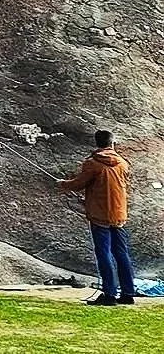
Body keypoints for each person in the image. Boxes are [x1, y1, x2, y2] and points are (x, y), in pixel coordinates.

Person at [58, 129, 137, 306]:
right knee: (121, 253)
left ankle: (109, 294)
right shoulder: (123, 163)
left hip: (100, 215)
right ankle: (127, 293)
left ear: (97, 143)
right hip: (119, 214)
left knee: (104, 253)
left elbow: (78, 184)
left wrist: (62, 184)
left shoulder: (92, 163)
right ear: (112, 143)